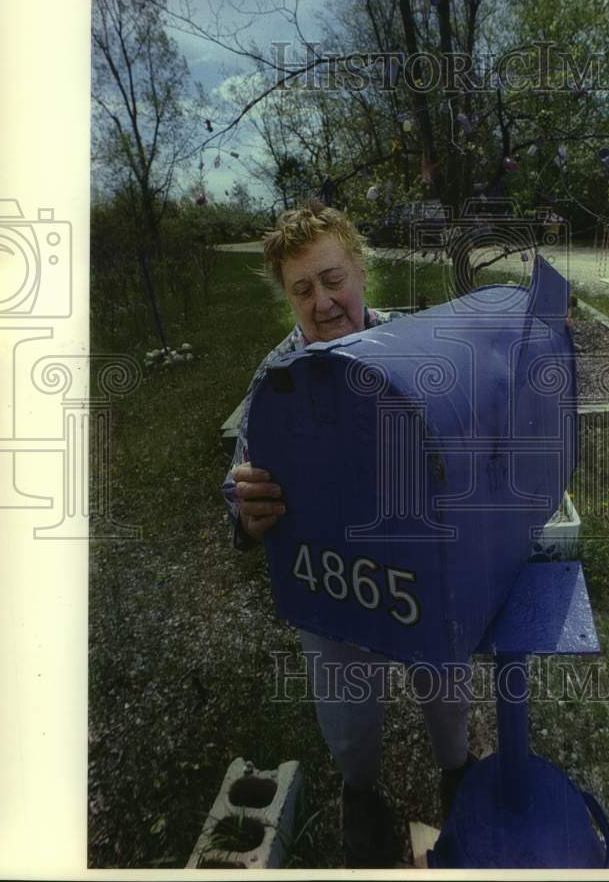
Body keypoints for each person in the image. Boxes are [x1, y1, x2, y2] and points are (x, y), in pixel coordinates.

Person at [221, 201, 475, 868]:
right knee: (348, 712)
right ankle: (360, 794)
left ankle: (459, 775)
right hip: (333, 590)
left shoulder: (418, 350)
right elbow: (238, 484)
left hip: (421, 568)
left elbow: (467, 438)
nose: (324, 302)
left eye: (333, 279)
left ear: (361, 269)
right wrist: (245, 514)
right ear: (288, 297)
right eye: (302, 289)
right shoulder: (275, 383)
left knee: (446, 688)